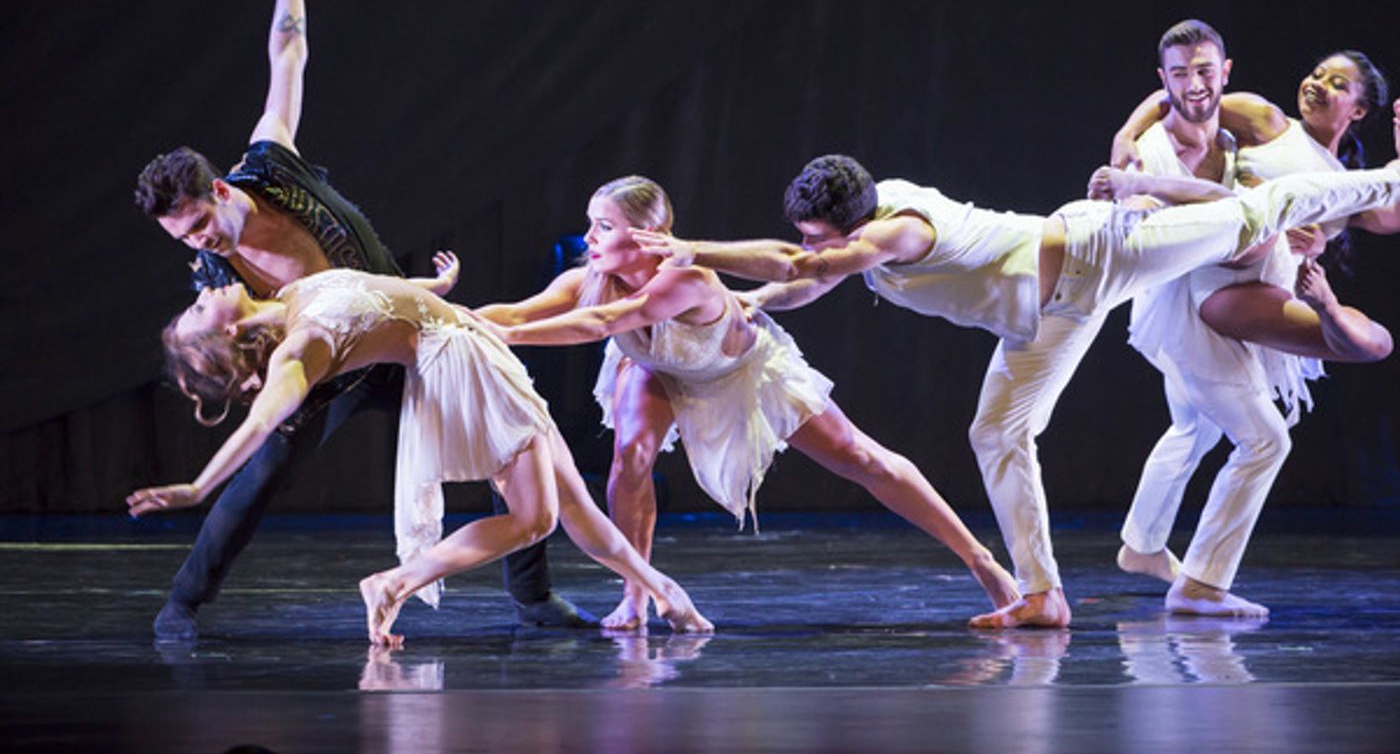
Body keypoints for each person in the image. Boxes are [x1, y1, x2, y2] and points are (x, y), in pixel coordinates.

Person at [630, 150, 1400, 628]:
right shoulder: (860, 237)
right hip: (1045, 317)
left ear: (854, 225)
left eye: (818, 237)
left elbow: (811, 268)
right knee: (997, 432)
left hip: (1102, 252)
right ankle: (1041, 595)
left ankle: (1389, 177)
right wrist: (753, 302)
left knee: (1256, 210)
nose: (808, 248)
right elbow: (806, 278)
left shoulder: (899, 230)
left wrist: (691, 249)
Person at [131, 0, 587, 640]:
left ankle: (533, 599)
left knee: (513, 442)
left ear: (218, 190)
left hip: (404, 341)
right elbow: (256, 372)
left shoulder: (270, 167)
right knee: (265, 470)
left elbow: (287, 54)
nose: (198, 243)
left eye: (200, 224)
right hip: (323, 363)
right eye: (181, 238)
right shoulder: (224, 287)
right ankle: (184, 602)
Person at [474, 176, 1021, 629]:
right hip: (658, 369)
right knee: (631, 455)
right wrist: (447, 317)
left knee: (860, 458)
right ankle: (637, 592)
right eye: (591, 223)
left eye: (605, 226)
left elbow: (601, 324)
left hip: (740, 372)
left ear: (646, 235)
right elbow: (520, 312)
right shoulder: (590, 278)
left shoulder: (685, 279)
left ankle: (983, 562)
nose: (590, 237)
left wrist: (508, 337)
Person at [126, 260, 713, 647]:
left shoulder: (292, 294)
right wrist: (199, 489)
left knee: (571, 505)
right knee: (537, 518)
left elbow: (378, 294)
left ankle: (666, 594)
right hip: (462, 367)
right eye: (200, 311)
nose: (204, 293)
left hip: (471, 348)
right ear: (225, 335)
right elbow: (262, 421)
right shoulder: (300, 347)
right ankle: (394, 581)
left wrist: (433, 291)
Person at [1104, 25, 1396, 614]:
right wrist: (1125, 138)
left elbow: (1389, 214)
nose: (1317, 85)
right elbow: (1176, 93)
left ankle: (1142, 545)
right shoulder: (1266, 120)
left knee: (1195, 428)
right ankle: (1202, 584)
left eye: (1336, 84)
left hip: (1251, 285)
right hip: (1217, 282)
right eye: (1317, 73)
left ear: (1359, 109)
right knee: (1263, 440)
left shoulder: (1347, 184)